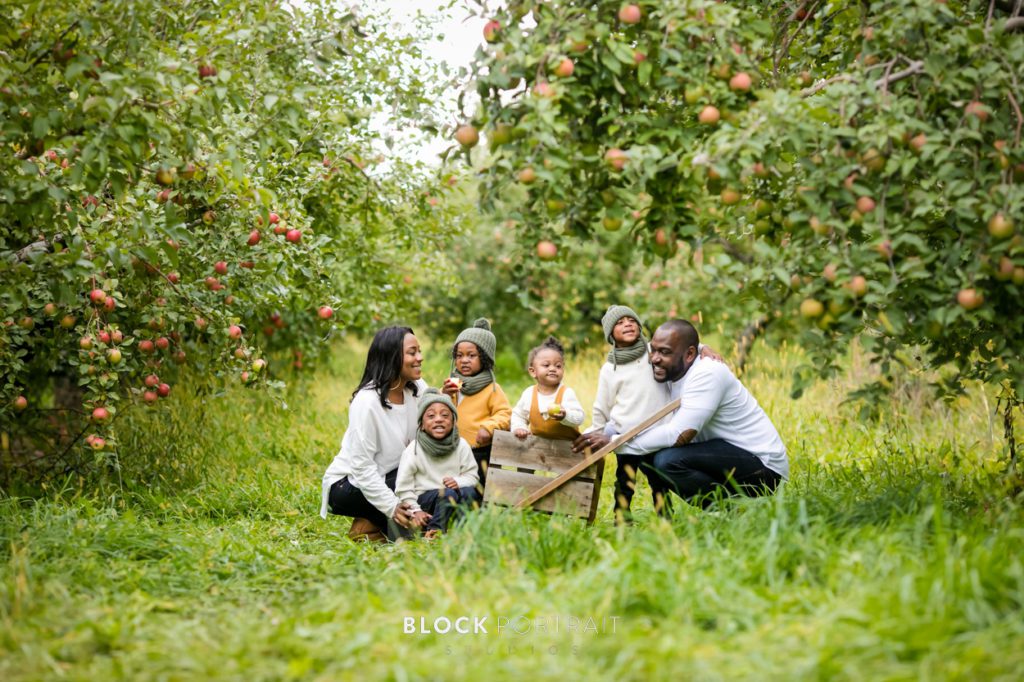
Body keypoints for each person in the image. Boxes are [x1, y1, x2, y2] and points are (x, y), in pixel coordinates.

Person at [576, 319, 786, 508]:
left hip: (762, 467)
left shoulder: (708, 374)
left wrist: (614, 442)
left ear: (689, 354)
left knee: (666, 460)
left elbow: (677, 434)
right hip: (722, 452)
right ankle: (729, 508)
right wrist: (598, 433)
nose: (654, 359)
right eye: (654, 351)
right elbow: (634, 407)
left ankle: (730, 509)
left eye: (664, 353)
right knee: (652, 452)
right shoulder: (669, 365)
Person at [319, 326, 430, 541]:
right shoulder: (367, 402)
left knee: (425, 479)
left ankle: (370, 524)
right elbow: (362, 468)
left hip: (394, 475)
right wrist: (391, 506)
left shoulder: (418, 388)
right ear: (392, 357)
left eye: (419, 351)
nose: (420, 358)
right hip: (349, 485)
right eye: (412, 352)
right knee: (412, 508)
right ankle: (372, 526)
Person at [584, 305, 675, 521]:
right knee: (625, 480)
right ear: (610, 334)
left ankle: (667, 519)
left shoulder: (654, 350)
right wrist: (596, 432)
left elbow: (682, 347)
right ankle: (622, 520)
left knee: (659, 480)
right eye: (620, 322)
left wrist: (704, 349)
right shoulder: (610, 369)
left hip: (657, 432)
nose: (627, 324)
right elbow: (602, 405)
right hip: (625, 433)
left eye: (631, 320)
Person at [393, 389, 481, 540]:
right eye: (431, 416)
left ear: (453, 422)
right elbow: (403, 488)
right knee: (447, 493)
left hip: (450, 497)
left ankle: (462, 534)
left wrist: (458, 481)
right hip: (424, 502)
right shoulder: (414, 449)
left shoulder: (461, 445)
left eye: (445, 415)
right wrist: (415, 510)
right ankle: (434, 533)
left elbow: (472, 476)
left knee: (469, 493)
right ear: (421, 425)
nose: (438, 419)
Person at [441, 318, 512, 485]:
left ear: (485, 358)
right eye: (459, 356)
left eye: (471, 355)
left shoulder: (492, 389)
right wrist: (443, 395)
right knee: (450, 486)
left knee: (475, 489)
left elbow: (505, 414)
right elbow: (435, 408)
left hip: (477, 452)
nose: (464, 360)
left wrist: (489, 427)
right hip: (450, 450)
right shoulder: (452, 385)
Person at [511, 336, 585, 440]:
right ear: (533, 371)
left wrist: (565, 415)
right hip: (540, 450)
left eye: (558, 366)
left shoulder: (566, 393)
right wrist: (519, 427)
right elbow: (518, 415)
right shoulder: (529, 394)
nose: (552, 369)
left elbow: (579, 417)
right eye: (546, 365)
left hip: (569, 450)